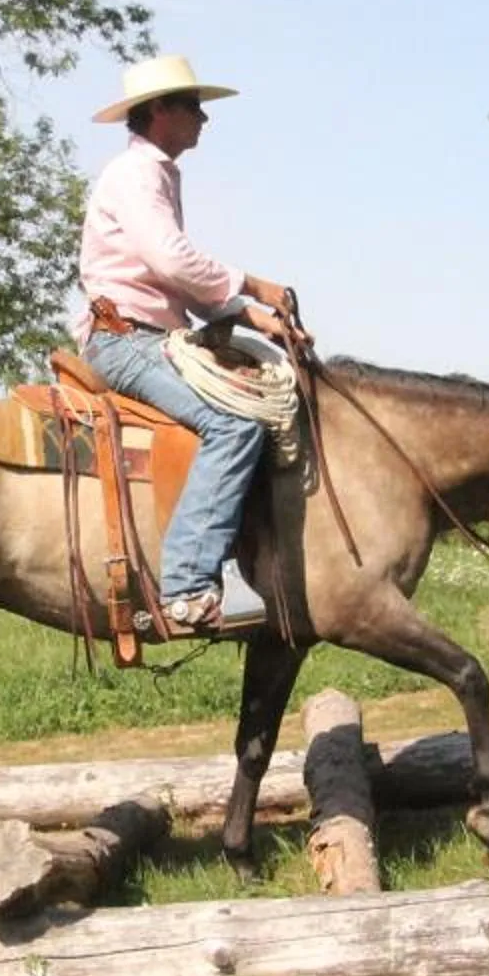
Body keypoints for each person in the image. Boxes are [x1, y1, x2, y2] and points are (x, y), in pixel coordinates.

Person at [75, 54, 313, 633]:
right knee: (236, 422)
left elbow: (178, 279)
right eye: (193, 106)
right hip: (125, 340)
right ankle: (187, 584)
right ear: (160, 111)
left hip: (149, 332)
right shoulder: (136, 174)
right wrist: (253, 284)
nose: (204, 119)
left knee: (256, 391)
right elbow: (170, 258)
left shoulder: (155, 173)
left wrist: (259, 319)